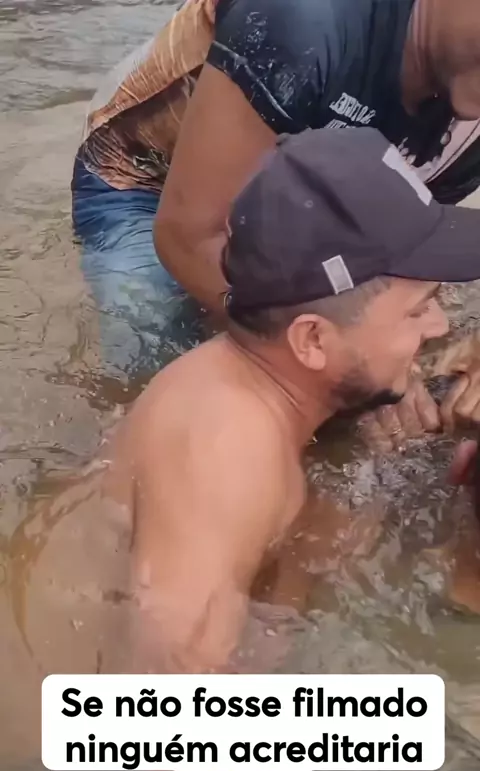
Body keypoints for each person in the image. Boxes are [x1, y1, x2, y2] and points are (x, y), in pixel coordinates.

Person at [66, 125, 480, 678]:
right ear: (313, 340)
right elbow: (154, 710)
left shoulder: (249, 384)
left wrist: (304, 562)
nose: (441, 325)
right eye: (418, 309)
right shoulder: (227, 452)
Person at [72, 0, 480, 390]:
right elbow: (189, 237)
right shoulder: (305, 18)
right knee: (155, 345)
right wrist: (350, 364)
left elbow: (414, 245)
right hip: (149, 183)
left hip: (311, 195)